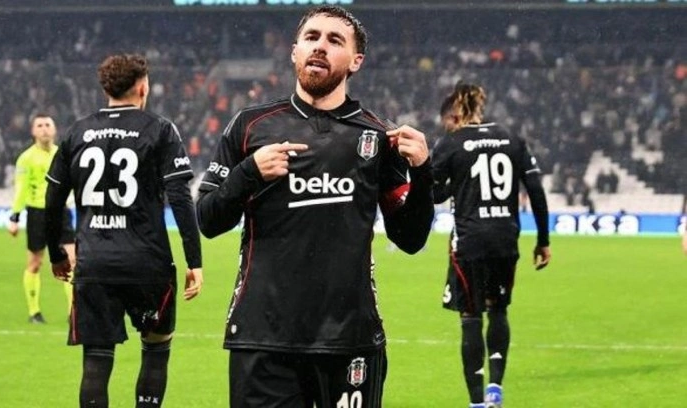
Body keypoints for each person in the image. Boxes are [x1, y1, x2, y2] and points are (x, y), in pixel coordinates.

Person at [196, 6, 433, 408]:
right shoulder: (250, 126)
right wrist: (249, 172)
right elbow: (208, 219)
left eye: (334, 40)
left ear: (356, 61)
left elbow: (410, 239)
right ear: (294, 52)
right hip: (264, 340)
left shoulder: (379, 136)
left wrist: (424, 171)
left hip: (351, 339)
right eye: (311, 37)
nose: (320, 46)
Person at [45, 53, 203, 408]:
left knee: (96, 363)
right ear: (143, 87)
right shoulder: (160, 129)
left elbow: (52, 200)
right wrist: (194, 260)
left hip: (95, 263)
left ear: (107, 88)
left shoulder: (78, 131)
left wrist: (56, 253)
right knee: (156, 352)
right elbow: (180, 198)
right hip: (148, 263)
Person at [431, 83, 551, 408]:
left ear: (454, 115)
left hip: (469, 242)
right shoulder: (512, 138)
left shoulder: (451, 142)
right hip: (504, 239)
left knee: (470, 316)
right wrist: (543, 240)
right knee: (498, 309)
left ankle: (475, 402)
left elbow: (431, 192)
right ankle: (495, 388)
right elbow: (536, 190)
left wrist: (453, 184)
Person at [8, 113, 76, 323]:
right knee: (35, 262)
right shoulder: (26, 158)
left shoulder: (63, 154)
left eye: (47, 124)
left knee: (72, 262)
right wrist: (15, 215)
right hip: (38, 213)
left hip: (62, 212)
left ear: (54, 130)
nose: (44, 129)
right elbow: (21, 188)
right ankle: (34, 312)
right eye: (40, 125)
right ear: (33, 131)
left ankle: (73, 313)